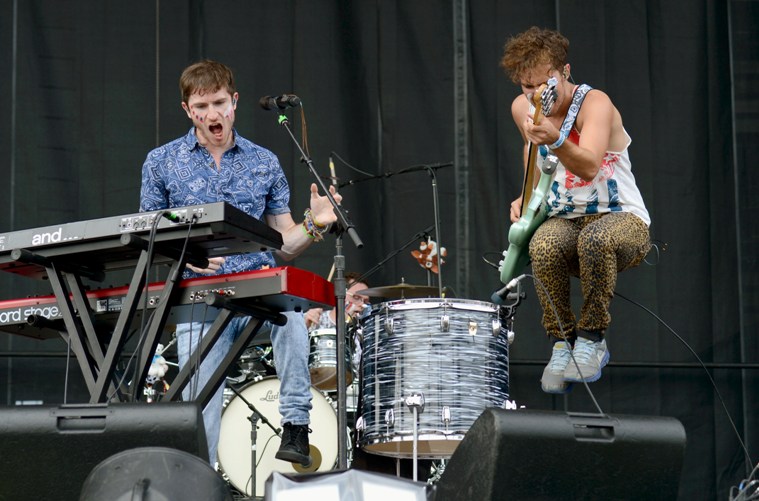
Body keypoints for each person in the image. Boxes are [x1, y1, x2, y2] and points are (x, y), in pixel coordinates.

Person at [139, 59, 341, 467]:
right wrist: (186, 255)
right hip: (202, 300)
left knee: (293, 319)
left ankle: (297, 428)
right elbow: (148, 233)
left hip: (259, 288)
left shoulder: (264, 162)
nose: (212, 114)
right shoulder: (160, 162)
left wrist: (314, 223)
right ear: (187, 110)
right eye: (201, 106)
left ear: (234, 102)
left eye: (218, 103)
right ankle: (199, 482)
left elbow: (284, 243)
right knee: (202, 406)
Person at [499, 27, 651, 394]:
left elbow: (587, 167)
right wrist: (528, 195)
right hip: (568, 219)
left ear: (564, 72)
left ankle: (592, 338)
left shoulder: (595, 104)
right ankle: (562, 343)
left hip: (622, 220)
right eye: (525, 86)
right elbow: (532, 153)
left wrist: (556, 137)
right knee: (544, 244)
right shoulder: (524, 108)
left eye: (540, 83)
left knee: (597, 239)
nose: (533, 94)